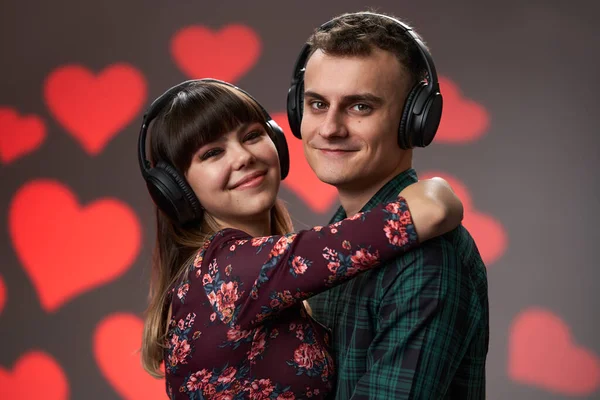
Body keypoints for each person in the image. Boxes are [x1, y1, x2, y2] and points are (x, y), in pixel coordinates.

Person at [138, 78, 464, 399]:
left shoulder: (239, 271)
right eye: (212, 153)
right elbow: (432, 210)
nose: (242, 157)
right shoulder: (229, 270)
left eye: (252, 136)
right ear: (177, 191)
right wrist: (434, 186)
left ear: (276, 141)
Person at [287, 11, 489, 399]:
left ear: (415, 120)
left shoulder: (425, 261)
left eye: (360, 106)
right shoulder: (335, 240)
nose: (330, 128)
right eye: (316, 104)